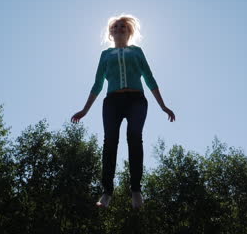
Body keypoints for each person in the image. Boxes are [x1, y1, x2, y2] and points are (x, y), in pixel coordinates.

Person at [71, 14, 175, 209]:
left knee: (134, 138)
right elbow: (97, 84)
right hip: (112, 101)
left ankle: (136, 190)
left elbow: (149, 78)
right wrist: (85, 110)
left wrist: (163, 105)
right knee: (110, 141)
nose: (119, 29)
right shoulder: (105, 55)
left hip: (136, 100)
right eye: (116, 27)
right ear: (110, 32)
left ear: (129, 32)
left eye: (123, 27)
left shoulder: (137, 51)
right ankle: (107, 192)